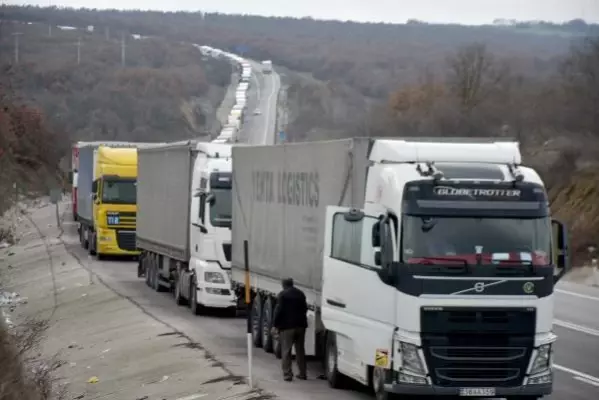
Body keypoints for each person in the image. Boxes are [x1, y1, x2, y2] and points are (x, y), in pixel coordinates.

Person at [272, 277, 308, 381]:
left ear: (283, 285)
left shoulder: (282, 295)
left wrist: (275, 325)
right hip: (301, 326)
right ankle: (302, 373)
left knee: (286, 350)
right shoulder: (301, 294)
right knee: (300, 350)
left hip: (287, 327)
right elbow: (305, 309)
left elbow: (279, 311)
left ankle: (287, 375)